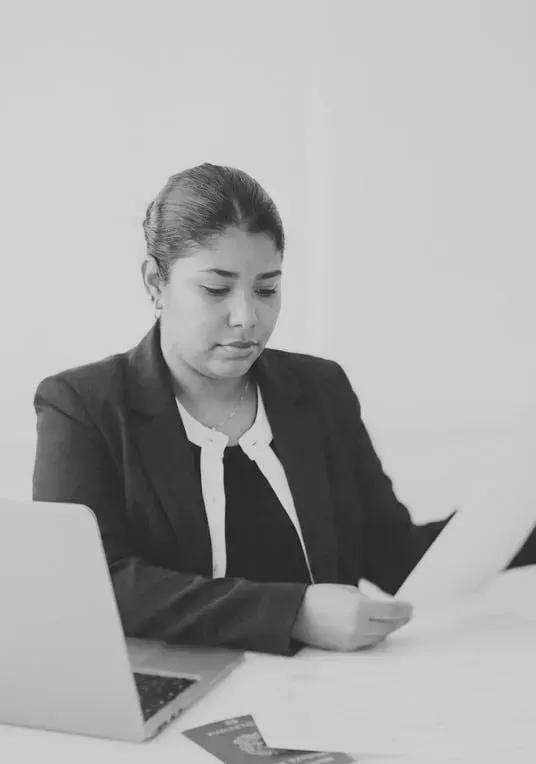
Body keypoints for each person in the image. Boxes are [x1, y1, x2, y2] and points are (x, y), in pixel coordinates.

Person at [32, 163, 536, 656]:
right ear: (154, 282)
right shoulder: (82, 405)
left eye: (267, 289)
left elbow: (393, 553)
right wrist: (294, 612)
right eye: (216, 289)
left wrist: (515, 512)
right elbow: (91, 583)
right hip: (177, 693)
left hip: (320, 691)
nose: (247, 317)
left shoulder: (320, 389)